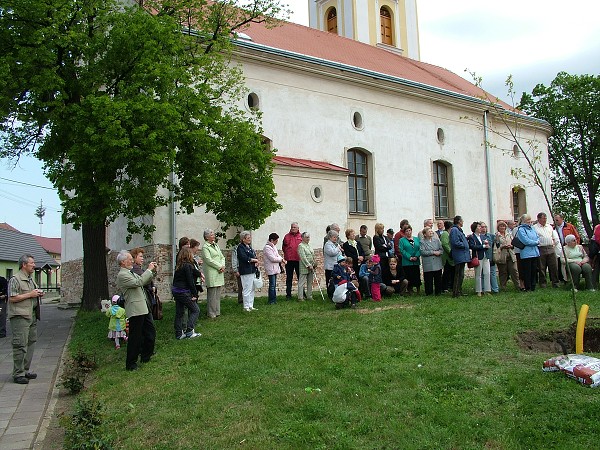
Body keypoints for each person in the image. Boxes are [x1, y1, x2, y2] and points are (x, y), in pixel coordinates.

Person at [116, 250, 157, 371]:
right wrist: (149, 270)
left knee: (150, 332)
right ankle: (131, 364)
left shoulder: (130, 272)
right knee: (135, 337)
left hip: (143, 307)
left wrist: (153, 271)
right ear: (123, 262)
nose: (132, 261)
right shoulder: (122, 275)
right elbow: (139, 282)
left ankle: (146, 356)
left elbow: (144, 280)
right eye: (129, 259)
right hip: (135, 309)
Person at [8, 254, 44, 384]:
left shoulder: (30, 279)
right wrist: (31, 294)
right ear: (24, 265)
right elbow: (12, 298)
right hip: (20, 317)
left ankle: (25, 370)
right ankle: (18, 373)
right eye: (32, 263)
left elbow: (31, 294)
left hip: (32, 315)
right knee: (20, 344)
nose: (34, 265)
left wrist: (38, 294)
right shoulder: (15, 279)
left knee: (31, 343)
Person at [172, 247, 201, 339]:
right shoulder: (188, 266)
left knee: (179, 312)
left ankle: (179, 333)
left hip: (176, 291)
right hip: (183, 291)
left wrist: (200, 274)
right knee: (195, 310)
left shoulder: (179, 265)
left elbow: (194, 271)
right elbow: (190, 281)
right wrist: (195, 294)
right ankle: (189, 330)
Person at [201, 229, 226, 317]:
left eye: (213, 234)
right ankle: (211, 313)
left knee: (218, 293)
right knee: (212, 293)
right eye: (211, 235)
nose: (213, 236)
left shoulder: (216, 245)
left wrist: (222, 266)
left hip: (219, 271)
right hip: (211, 271)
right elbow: (208, 260)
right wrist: (219, 266)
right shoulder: (205, 247)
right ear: (207, 237)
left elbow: (222, 257)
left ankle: (217, 311)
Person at [533, 212, 560, 288]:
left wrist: (554, 243)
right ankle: (543, 283)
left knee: (554, 266)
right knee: (542, 267)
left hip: (550, 247)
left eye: (545, 218)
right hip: (541, 248)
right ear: (538, 219)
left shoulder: (549, 226)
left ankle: (555, 282)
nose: (544, 220)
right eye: (543, 218)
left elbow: (553, 236)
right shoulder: (535, 227)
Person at [515, 214, 541, 292]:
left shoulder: (532, 228)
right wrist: (535, 242)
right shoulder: (521, 229)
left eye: (530, 220)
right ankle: (527, 286)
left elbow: (537, 236)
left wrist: (535, 241)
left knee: (534, 270)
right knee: (527, 271)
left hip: (535, 252)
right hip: (526, 253)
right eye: (527, 221)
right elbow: (525, 240)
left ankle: (533, 286)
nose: (529, 222)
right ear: (523, 221)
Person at [554, 213, 581, 282]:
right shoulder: (553, 227)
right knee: (559, 262)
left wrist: (575, 246)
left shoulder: (569, 226)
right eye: (554, 220)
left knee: (567, 262)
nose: (555, 221)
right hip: (558, 247)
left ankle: (569, 278)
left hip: (568, 247)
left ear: (562, 219)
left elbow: (577, 237)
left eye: (557, 220)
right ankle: (561, 278)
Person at [130, 247, 157, 316]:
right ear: (134, 257)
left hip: (145, 300)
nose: (143, 258)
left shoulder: (139, 268)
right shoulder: (135, 269)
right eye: (141, 256)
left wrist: (153, 271)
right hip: (141, 301)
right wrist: (149, 270)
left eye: (143, 256)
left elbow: (148, 279)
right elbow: (144, 281)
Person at [237, 231, 259, 312]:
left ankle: (251, 305)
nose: (250, 239)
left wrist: (256, 262)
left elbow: (254, 255)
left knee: (252, 288)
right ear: (243, 239)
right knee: (247, 288)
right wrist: (252, 260)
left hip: (252, 270)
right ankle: (246, 306)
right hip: (245, 271)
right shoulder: (240, 247)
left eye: (250, 238)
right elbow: (243, 257)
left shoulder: (249, 247)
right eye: (248, 238)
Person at [494, 221, 520, 290]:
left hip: (511, 254)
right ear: (498, 227)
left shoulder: (509, 234)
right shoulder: (496, 236)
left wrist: (511, 246)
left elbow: (514, 243)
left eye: (503, 226)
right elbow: (496, 247)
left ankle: (518, 286)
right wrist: (502, 247)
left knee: (514, 270)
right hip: (502, 255)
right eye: (501, 226)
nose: (502, 227)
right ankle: (503, 286)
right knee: (503, 272)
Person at [468, 222, 491, 297]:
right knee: (478, 274)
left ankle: (487, 290)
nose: (480, 228)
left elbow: (486, 245)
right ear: (475, 228)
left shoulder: (482, 236)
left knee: (487, 273)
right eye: (479, 227)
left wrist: (487, 246)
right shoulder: (472, 237)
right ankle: (479, 291)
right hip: (478, 257)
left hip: (485, 256)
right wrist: (483, 246)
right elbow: (472, 246)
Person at [449, 216, 471, 298]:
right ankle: (456, 292)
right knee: (458, 274)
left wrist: (466, 239)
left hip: (462, 255)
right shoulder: (454, 230)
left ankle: (459, 290)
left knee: (461, 274)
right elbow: (455, 242)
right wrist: (465, 244)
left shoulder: (459, 230)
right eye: (462, 220)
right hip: (459, 255)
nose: (463, 222)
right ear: (459, 221)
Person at [263, 233, 286, 304]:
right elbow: (272, 258)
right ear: (272, 240)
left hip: (275, 268)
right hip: (271, 268)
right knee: (272, 285)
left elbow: (277, 255)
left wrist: (281, 258)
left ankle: (274, 299)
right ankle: (271, 300)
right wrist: (281, 260)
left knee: (274, 284)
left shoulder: (273, 247)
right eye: (276, 241)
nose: (277, 242)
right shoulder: (267, 248)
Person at [420, 227, 443, 296]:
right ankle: (429, 292)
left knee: (438, 278)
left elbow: (441, 249)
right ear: (425, 234)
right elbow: (423, 252)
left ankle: (438, 291)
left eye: (431, 231)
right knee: (428, 279)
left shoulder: (436, 240)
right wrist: (433, 252)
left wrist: (439, 252)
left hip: (437, 262)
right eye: (429, 231)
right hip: (428, 263)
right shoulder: (422, 242)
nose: (431, 232)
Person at [399, 225, 421, 294]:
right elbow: (402, 250)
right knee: (409, 275)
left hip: (416, 261)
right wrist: (409, 257)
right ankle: (409, 289)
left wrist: (416, 256)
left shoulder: (417, 239)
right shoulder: (402, 240)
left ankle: (418, 288)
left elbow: (420, 248)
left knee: (416, 275)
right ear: (404, 232)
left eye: (409, 230)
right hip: (407, 262)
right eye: (406, 231)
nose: (408, 232)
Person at [282, 222, 302, 299]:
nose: (293, 228)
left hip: (298, 260)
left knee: (300, 277)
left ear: (298, 228)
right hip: (289, 260)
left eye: (295, 227)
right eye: (292, 227)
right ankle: (288, 294)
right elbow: (284, 248)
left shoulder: (301, 236)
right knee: (289, 278)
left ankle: (302, 293)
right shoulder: (286, 236)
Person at [480, 222, 498, 293]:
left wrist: (497, 238)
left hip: (490, 257)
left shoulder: (491, 236)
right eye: (482, 227)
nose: (484, 228)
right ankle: (484, 289)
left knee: (492, 273)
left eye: (485, 227)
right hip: (482, 258)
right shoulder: (478, 237)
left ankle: (495, 289)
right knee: (483, 274)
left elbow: (497, 245)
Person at [297, 232, 316, 300]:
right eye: (306, 237)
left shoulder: (309, 245)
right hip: (304, 266)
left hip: (311, 266)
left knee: (310, 282)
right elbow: (303, 257)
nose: (308, 238)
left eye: (309, 237)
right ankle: (300, 297)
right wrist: (308, 265)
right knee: (301, 282)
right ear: (302, 238)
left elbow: (312, 255)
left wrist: (314, 264)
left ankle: (309, 296)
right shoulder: (301, 246)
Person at [440, 221, 455, 292]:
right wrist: (451, 252)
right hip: (447, 257)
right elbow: (445, 244)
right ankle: (444, 287)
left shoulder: (450, 233)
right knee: (447, 272)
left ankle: (451, 286)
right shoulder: (445, 234)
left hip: (451, 257)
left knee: (451, 272)